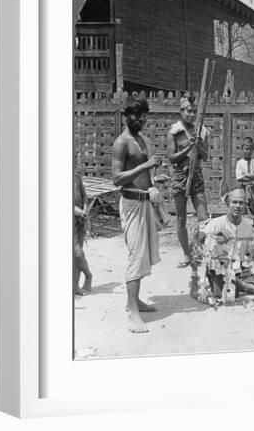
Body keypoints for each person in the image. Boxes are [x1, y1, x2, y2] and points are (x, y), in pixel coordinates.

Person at [111, 97, 162, 333]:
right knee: (135, 256)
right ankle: (132, 313)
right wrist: (144, 166)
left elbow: (146, 175)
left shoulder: (143, 141)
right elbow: (117, 178)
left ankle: (136, 301)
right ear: (126, 116)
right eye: (136, 116)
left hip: (145, 203)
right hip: (131, 204)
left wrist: (155, 179)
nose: (140, 120)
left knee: (142, 256)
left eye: (143, 115)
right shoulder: (122, 142)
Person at [167, 95, 209, 268]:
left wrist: (198, 146)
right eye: (188, 111)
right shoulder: (174, 132)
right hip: (180, 177)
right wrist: (188, 148)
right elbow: (171, 158)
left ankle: (201, 250)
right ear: (181, 112)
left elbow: (205, 156)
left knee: (203, 218)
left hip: (197, 176)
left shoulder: (202, 131)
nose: (192, 114)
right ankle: (186, 254)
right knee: (181, 218)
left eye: (194, 111)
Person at [196, 188, 254, 301]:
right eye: (234, 202)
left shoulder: (248, 226)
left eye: (241, 203)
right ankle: (245, 287)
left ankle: (242, 284)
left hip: (240, 267)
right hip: (219, 268)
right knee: (221, 292)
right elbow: (199, 238)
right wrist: (214, 235)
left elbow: (250, 254)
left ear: (245, 205)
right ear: (228, 204)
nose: (237, 206)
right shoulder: (217, 223)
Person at [235, 137, 254, 235]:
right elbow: (240, 178)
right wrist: (251, 177)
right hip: (243, 189)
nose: (248, 151)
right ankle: (243, 231)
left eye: (250, 149)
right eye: (246, 149)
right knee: (243, 210)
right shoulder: (239, 163)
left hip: (253, 189)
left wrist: (247, 175)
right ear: (242, 149)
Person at [73, 172, 92, 296]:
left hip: (80, 220)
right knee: (77, 253)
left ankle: (75, 286)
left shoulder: (77, 177)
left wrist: (84, 209)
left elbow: (85, 196)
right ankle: (88, 275)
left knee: (76, 257)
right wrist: (75, 209)